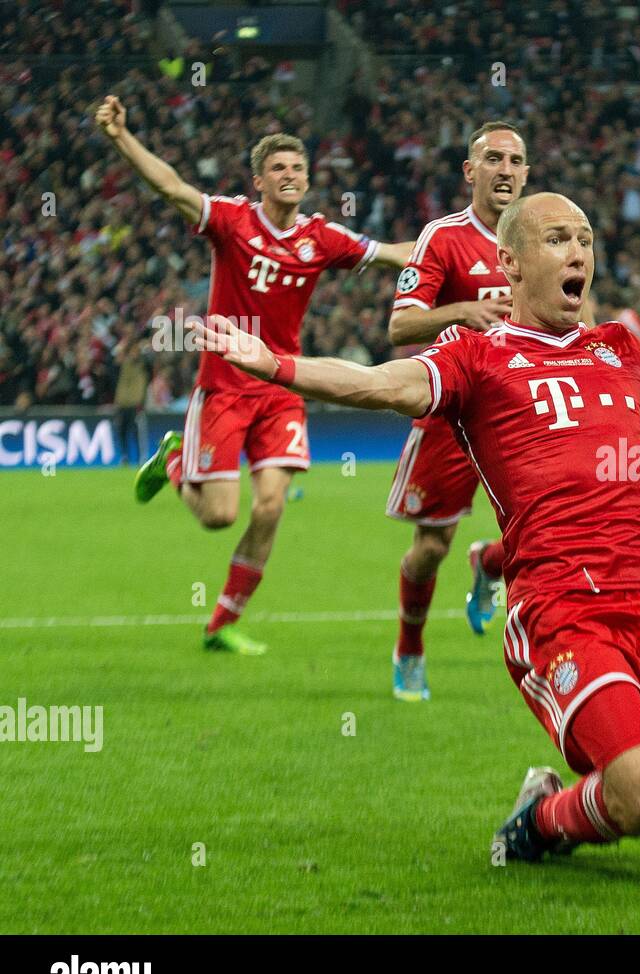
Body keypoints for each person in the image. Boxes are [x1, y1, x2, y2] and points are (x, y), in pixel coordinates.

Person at [192, 192, 640, 861]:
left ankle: (611, 784)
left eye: (587, 241)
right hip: (564, 607)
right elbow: (382, 382)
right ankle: (541, 818)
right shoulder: (476, 357)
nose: (578, 254)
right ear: (510, 263)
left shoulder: (622, 351)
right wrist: (276, 364)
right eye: (558, 238)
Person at [96, 94, 413, 654]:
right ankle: (174, 459)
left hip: (282, 388)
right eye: (278, 169)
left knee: (270, 505)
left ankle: (221, 623)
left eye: (297, 168)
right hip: (223, 388)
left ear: (308, 180)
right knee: (219, 516)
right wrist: (121, 138)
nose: (290, 176)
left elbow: (396, 254)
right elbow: (171, 187)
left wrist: (477, 248)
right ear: (259, 181)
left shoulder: (322, 238)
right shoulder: (232, 221)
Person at [385, 121, 533, 700]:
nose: (505, 170)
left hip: (522, 412)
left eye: (516, 161)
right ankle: (410, 646)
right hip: (452, 413)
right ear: (471, 172)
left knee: (547, 529)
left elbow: (578, 318)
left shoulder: (542, 237)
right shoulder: (442, 238)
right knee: (429, 550)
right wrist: (462, 311)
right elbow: (400, 325)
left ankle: (491, 565)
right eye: (493, 159)